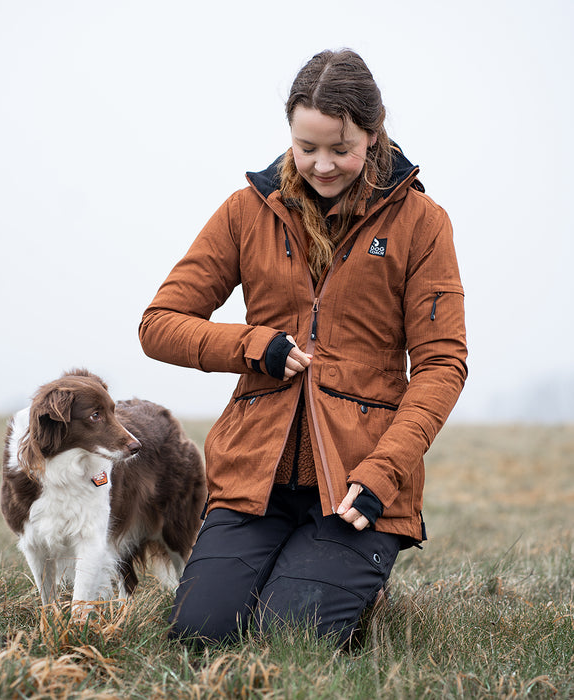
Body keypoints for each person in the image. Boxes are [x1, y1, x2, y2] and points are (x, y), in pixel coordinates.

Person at [139, 49, 467, 646]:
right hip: (251, 479)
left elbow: (442, 365)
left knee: (289, 638)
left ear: (374, 132)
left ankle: (347, 573)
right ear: (289, 133)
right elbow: (160, 323)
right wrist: (251, 344)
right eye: (305, 146)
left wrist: (383, 474)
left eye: (340, 149)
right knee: (200, 636)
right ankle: (296, 571)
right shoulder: (246, 210)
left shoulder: (423, 223)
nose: (321, 165)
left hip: (355, 489)